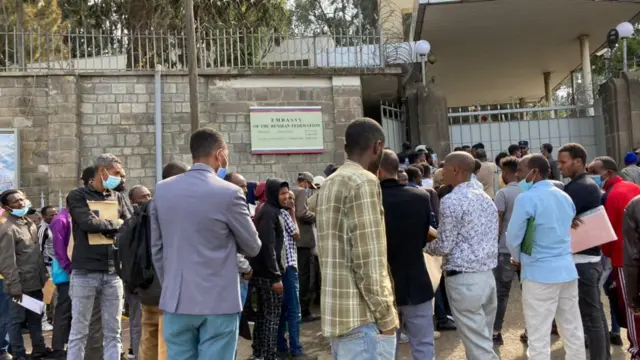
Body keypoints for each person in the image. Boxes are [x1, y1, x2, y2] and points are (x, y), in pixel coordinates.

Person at [150, 128, 261, 360]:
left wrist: (169, 285)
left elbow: (157, 248)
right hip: (219, 301)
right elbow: (252, 246)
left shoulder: (163, 190)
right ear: (219, 154)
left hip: (177, 299)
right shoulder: (230, 193)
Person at [316, 118, 398, 359]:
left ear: (345, 148)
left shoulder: (330, 182)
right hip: (363, 318)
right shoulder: (364, 182)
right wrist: (387, 317)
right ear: (378, 147)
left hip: (339, 315)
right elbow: (368, 261)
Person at [507, 155, 585, 360]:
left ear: (535, 172)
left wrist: (517, 258)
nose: (517, 176)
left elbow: (513, 236)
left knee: (538, 333)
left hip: (539, 273)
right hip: (566, 269)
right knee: (572, 326)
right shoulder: (564, 196)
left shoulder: (526, 198)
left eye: (520, 172)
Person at [423, 151, 498, 360]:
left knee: (479, 348)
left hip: (464, 280)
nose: (440, 172)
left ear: (455, 170)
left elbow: (444, 245)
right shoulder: (485, 197)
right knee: (483, 342)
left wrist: (424, 245)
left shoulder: (452, 200)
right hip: (486, 277)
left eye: (444, 167)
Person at [66, 154, 131, 360]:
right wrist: (116, 225)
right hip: (85, 271)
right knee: (79, 331)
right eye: (116, 173)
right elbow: (87, 223)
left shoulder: (118, 197)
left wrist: (110, 227)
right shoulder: (77, 195)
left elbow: (130, 225)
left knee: (114, 331)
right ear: (102, 171)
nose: (120, 178)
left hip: (113, 272)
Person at [378, 150, 435, 360]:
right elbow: (423, 238)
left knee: (386, 347)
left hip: (383, 284)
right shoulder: (421, 196)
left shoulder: (371, 201)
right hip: (417, 280)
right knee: (423, 344)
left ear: (378, 171)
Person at [558, 144, 611, 360]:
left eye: (563, 162)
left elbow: (560, 220)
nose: (559, 166)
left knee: (590, 316)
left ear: (578, 162)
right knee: (594, 313)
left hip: (583, 259)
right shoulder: (583, 185)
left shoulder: (581, 187)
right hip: (587, 258)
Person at [52, 167, 105, 360]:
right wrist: (70, 269)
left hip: (80, 270)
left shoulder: (77, 217)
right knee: (66, 313)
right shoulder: (61, 220)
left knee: (86, 317)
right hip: (69, 272)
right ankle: (59, 348)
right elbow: (60, 249)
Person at [592, 156, 640, 358]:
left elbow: (608, 233)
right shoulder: (633, 188)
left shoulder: (611, 195)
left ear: (607, 173)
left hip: (624, 259)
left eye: (594, 172)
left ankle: (636, 350)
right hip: (631, 253)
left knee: (631, 307)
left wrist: (608, 256)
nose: (592, 177)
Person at [0, 190, 52, 360]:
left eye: (22, 199)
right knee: (15, 321)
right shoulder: (7, 229)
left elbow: (36, 254)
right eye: (15, 201)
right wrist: (14, 285)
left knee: (35, 316)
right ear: (6, 207)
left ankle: (39, 349)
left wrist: (44, 277)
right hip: (20, 285)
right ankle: (19, 354)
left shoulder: (29, 223)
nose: (21, 203)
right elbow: (7, 261)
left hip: (35, 281)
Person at [251, 178, 288, 360]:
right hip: (268, 275)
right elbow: (268, 246)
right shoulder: (269, 213)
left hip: (264, 273)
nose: (286, 196)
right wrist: (275, 277)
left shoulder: (271, 210)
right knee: (271, 318)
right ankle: (268, 355)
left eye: (287, 192)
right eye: (282, 193)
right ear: (273, 194)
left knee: (263, 316)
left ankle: (259, 353)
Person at [276, 191, 312, 359]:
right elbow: (296, 234)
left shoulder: (275, 212)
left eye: (292, 198)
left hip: (282, 267)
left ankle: (282, 348)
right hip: (289, 267)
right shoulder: (284, 214)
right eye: (286, 197)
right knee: (294, 310)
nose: (289, 200)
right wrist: (293, 213)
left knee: (283, 310)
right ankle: (296, 350)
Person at [491, 156, 520, 345]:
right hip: (527, 249)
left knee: (502, 292)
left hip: (505, 248)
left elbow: (498, 222)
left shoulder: (502, 194)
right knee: (531, 291)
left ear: (506, 173)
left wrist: (493, 243)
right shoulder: (528, 192)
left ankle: (496, 330)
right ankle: (532, 331)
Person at [290, 172, 320, 323]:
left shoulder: (290, 191)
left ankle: (299, 309)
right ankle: (304, 311)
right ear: (306, 183)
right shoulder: (301, 192)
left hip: (295, 241)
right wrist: (317, 216)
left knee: (299, 275)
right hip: (304, 239)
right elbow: (302, 213)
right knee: (305, 276)